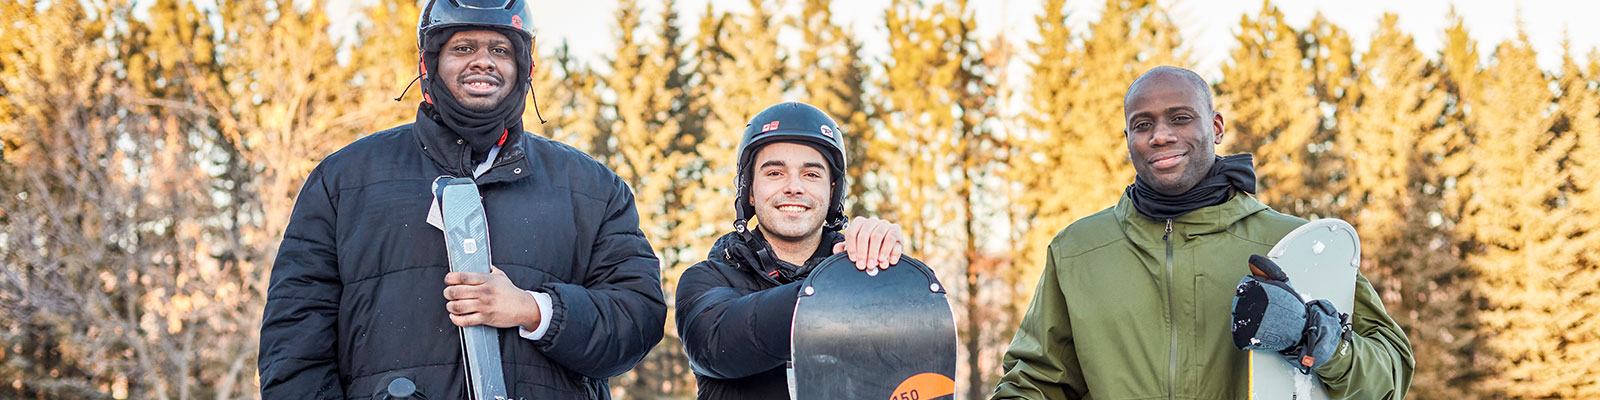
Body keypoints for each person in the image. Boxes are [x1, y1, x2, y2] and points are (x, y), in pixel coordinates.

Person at [257, 1, 665, 398]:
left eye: (501, 50)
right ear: (428, 65)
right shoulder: (344, 179)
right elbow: (294, 340)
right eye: (463, 48)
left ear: (525, 68)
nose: (483, 61)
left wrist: (534, 309)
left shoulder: (592, 187)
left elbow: (638, 319)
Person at [992, 66, 1413, 399]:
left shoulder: (1297, 244)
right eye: (1142, 125)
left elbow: (1389, 376)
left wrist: (1320, 343)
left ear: (1215, 127)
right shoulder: (1078, 250)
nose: (1160, 136)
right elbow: (1038, 381)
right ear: (1127, 138)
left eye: (1180, 118)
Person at [675, 102, 907, 399]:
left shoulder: (862, 271)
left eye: (811, 174)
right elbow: (718, 344)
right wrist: (839, 286)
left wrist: (892, 273)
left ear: (833, 191)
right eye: (775, 173)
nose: (794, 187)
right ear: (750, 191)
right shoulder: (706, 280)